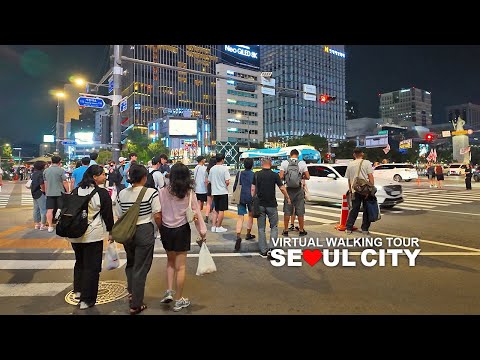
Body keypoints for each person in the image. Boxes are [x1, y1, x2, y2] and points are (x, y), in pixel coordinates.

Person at [158, 163, 207, 312]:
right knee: (181, 267)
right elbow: (196, 214)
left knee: (170, 263)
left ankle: (169, 291)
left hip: (166, 230)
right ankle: (179, 299)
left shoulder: (162, 191)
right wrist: (202, 232)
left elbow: (158, 212)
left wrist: (159, 229)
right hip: (182, 230)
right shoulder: (189, 193)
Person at [116, 163, 161, 315]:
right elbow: (157, 214)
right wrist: (160, 229)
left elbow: (120, 214)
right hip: (144, 230)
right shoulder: (150, 192)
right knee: (141, 267)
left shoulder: (122, 193)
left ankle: (131, 291)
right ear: (144, 177)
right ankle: (136, 304)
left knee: (131, 263)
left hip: (128, 232)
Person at [67, 165, 114, 310]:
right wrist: (111, 232)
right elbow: (107, 215)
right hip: (92, 235)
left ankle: (78, 291)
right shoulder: (101, 193)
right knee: (92, 267)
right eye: (103, 175)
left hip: (75, 235)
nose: (105, 177)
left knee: (79, 262)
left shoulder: (76, 191)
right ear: (95, 177)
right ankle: (87, 300)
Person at [252, 157, 291, 258]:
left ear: (262, 163)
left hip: (260, 204)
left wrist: (253, 199)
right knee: (274, 227)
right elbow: (282, 188)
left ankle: (263, 250)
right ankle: (272, 249)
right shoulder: (274, 175)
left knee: (261, 228)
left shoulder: (257, 174)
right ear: (271, 163)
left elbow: (253, 190)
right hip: (272, 205)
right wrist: (287, 197)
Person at [279, 149, 310, 236]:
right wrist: (301, 177)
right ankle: (301, 230)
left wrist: (286, 178)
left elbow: (281, 176)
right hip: (298, 190)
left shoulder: (284, 163)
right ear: (297, 155)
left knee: (287, 210)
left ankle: (285, 230)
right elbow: (308, 176)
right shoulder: (302, 163)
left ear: (290, 155)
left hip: (288, 190)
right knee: (300, 210)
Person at [345, 148, 375, 235]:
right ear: (362, 154)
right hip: (365, 190)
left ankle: (349, 228)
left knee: (354, 209)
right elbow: (370, 176)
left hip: (355, 190)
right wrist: (371, 188)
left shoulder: (350, 164)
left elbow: (349, 179)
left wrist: (350, 190)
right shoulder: (367, 163)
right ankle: (364, 229)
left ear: (354, 155)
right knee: (366, 209)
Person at [232, 157, 255, 251]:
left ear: (244, 165)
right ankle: (248, 234)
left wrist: (235, 194)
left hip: (241, 196)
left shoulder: (240, 173)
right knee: (250, 216)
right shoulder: (254, 174)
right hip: (250, 197)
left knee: (240, 217)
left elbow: (235, 186)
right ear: (252, 165)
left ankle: (238, 235)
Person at [43, 155, 67, 233]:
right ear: (59, 162)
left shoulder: (46, 171)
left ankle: (50, 226)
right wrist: (68, 191)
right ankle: (60, 225)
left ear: (51, 161)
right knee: (61, 209)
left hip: (49, 193)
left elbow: (45, 183)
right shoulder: (61, 170)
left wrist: (46, 192)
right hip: (60, 192)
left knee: (49, 210)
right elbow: (64, 181)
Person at [208, 153, 230, 233]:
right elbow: (227, 181)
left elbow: (209, 180)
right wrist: (225, 184)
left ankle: (213, 226)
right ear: (222, 160)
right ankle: (219, 226)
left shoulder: (212, 169)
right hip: (223, 192)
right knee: (221, 210)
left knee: (215, 209)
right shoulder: (224, 169)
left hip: (215, 192)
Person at [31, 161, 48, 231]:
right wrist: (44, 191)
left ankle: (37, 224)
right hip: (40, 193)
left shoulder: (33, 174)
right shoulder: (41, 174)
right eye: (45, 165)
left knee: (36, 209)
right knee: (44, 209)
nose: (46, 166)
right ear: (42, 166)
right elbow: (42, 184)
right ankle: (43, 225)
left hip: (34, 192)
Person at [204, 157, 218, 225]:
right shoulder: (216, 169)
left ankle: (206, 217)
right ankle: (214, 218)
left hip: (209, 186)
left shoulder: (207, 170)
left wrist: (207, 189)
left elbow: (206, 181)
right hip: (215, 186)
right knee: (215, 203)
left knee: (208, 203)